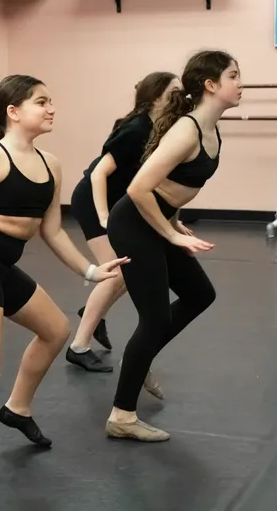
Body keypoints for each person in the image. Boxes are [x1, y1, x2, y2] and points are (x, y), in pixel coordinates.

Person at [0, 75, 129, 496]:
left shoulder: (50, 163)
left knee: (55, 331)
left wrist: (90, 272)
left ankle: (17, 408)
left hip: (2, 263)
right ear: (13, 112)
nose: (51, 108)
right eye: (41, 102)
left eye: (51, 101)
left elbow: (51, 230)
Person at [105, 50, 241, 442]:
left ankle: (141, 355)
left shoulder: (211, 129)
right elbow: (138, 188)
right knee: (155, 320)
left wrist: (175, 224)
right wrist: (171, 235)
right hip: (134, 223)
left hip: (156, 221)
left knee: (200, 294)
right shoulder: (187, 130)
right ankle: (122, 416)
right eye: (233, 75)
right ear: (211, 85)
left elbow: (172, 191)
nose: (240, 83)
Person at [66, 71, 181, 376]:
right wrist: (103, 216)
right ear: (157, 97)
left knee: (124, 274)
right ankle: (78, 346)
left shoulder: (164, 130)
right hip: (95, 201)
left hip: (118, 206)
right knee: (116, 272)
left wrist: (173, 223)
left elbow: (159, 185)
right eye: (174, 91)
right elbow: (98, 174)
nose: (181, 96)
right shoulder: (136, 129)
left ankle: (93, 314)